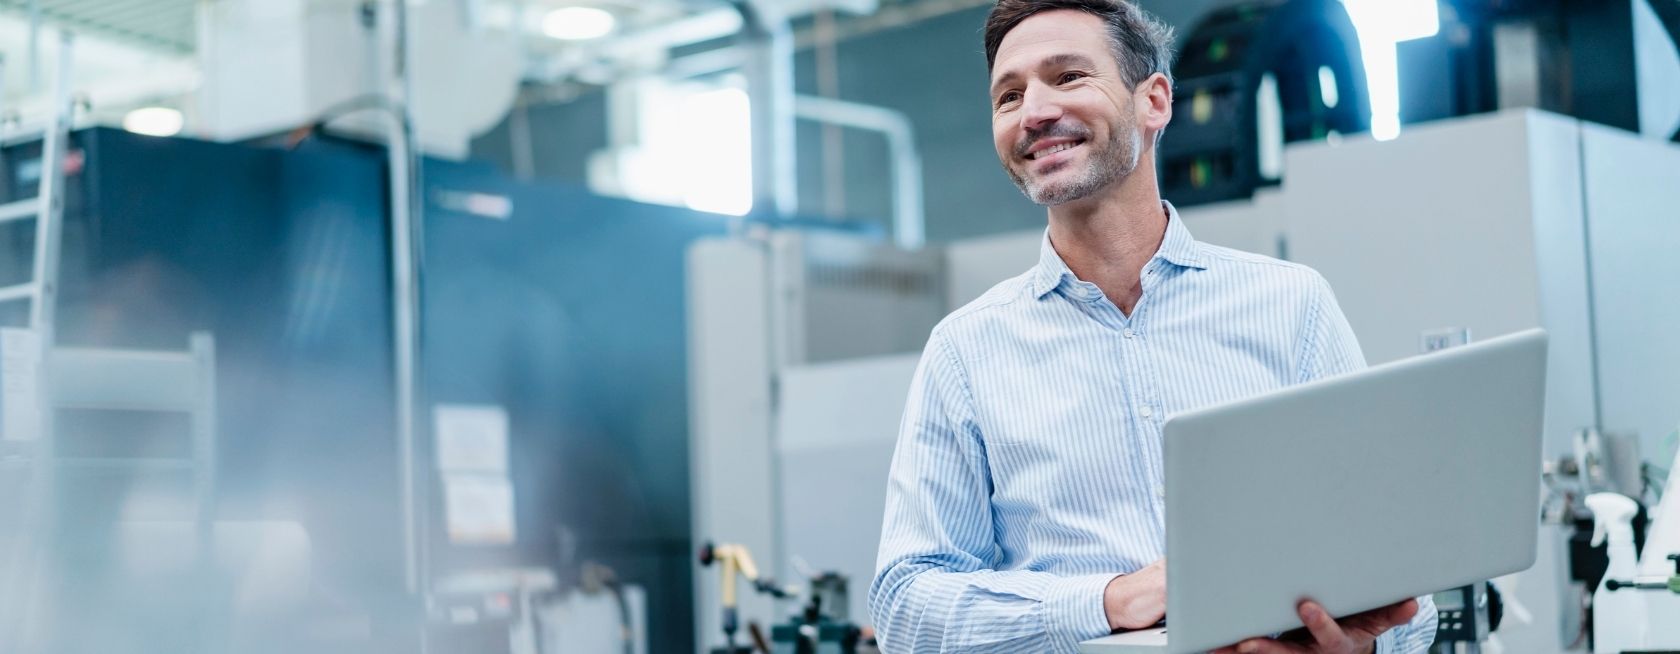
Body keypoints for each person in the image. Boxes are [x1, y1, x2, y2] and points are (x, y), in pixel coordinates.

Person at [866, 1, 1439, 652]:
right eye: (1009, 95)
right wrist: (1109, 601)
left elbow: (1404, 589)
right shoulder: (966, 352)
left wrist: (1358, 645)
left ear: (1155, 102)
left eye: (1070, 76)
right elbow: (905, 606)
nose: (1035, 111)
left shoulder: (1291, 307)